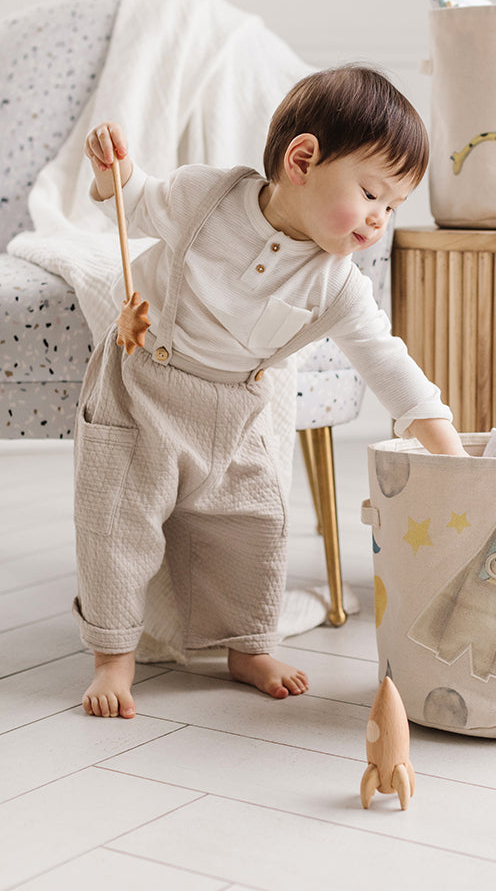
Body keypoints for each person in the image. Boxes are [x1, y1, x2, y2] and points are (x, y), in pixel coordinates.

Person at [75, 65, 466, 719]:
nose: (378, 221)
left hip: (235, 409)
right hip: (143, 386)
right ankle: (113, 656)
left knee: (252, 526)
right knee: (118, 521)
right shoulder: (206, 196)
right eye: (372, 193)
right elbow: (134, 199)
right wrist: (112, 170)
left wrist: (447, 449)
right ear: (303, 159)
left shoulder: (338, 284)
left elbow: (387, 362)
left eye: (393, 207)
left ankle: (246, 646)